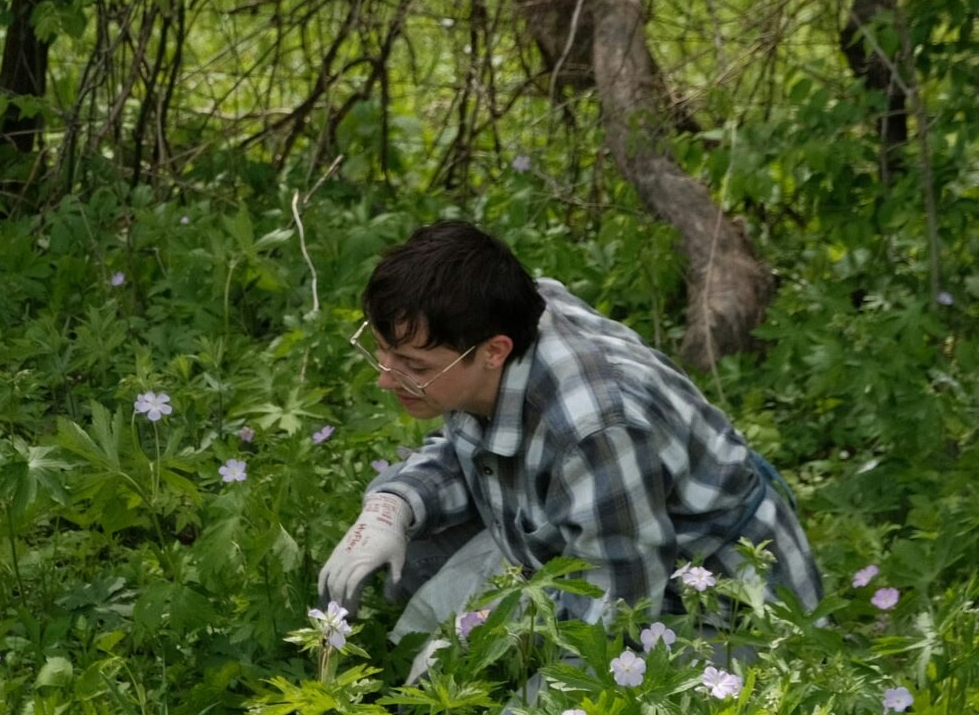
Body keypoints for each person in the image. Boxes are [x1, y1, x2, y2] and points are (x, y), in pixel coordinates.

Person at [317, 220, 818, 638]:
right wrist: (394, 505)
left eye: (413, 366)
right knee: (401, 542)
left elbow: (618, 606)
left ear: (494, 351)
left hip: (714, 605)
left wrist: (491, 636)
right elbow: (473, 447)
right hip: (599, 532)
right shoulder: (496, 317)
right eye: (382, 351)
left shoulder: (595, 429)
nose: (386, 379)